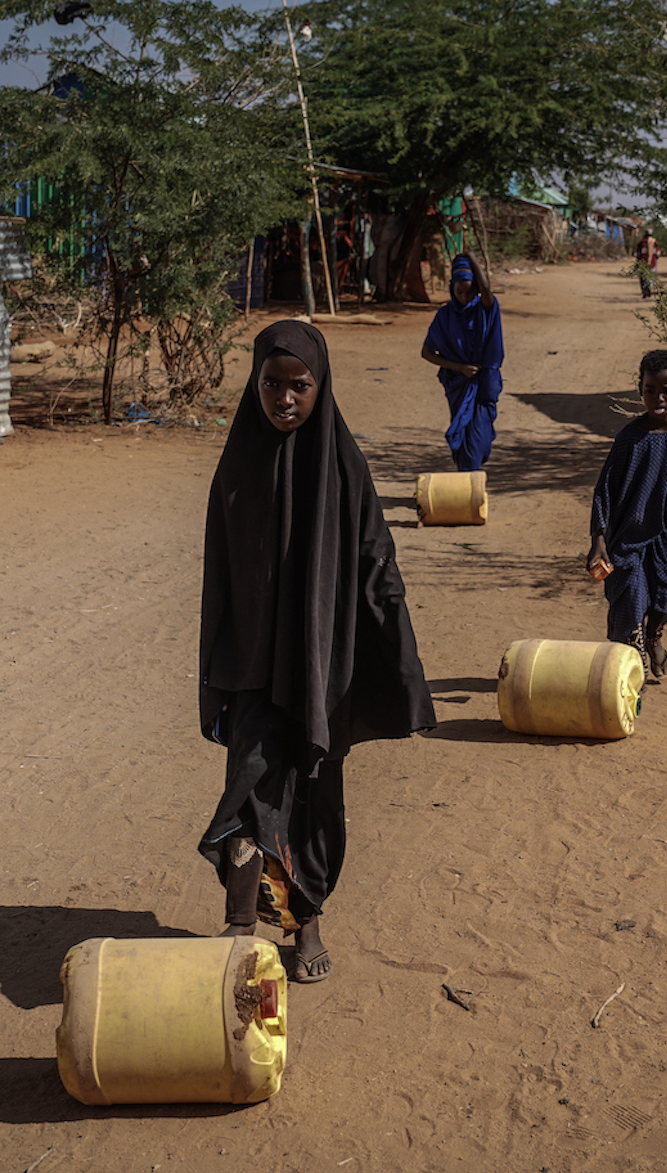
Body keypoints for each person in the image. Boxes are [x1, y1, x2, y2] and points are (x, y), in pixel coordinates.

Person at [198, 319, 436, 984]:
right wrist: (213, 677)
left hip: (319, 670)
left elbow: (375, 565)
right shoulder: (238, 465)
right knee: (246, 793)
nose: (283, 400)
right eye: (270, 385)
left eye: (298, 386)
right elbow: (219, 576)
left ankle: (309, 925)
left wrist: (401, 665)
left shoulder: (342, 465)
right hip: (250, 670)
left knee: (312, 795)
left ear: (319, 385)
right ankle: (241, 925)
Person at [587, 348, 667, 684]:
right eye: (650, 390)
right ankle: (632, 666)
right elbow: (604, 491)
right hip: (625, 541)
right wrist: (598, 541)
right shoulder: (630, 439)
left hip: (660, 536)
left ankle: (653, 639)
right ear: (640, 389)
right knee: (633, 603)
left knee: (665, 600)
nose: (658, 398)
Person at [420, 253, 503, 472]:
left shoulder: (484, 310)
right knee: (465, 437)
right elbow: (426, 352)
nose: (465, 297)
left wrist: (472, 258)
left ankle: (468, 482)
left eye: (469, 291)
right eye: (459, 292)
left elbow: (487, 290)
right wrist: (460, 368)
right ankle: (466, 491)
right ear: (451, 289)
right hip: (458, 383)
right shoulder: (445, 316)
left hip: (484, 383)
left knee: (480, 438)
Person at [635, 232, 662, 299]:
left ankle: (645, 290)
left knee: (643, 277)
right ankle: (650, 287)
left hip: (643, 263)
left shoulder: (642, 242)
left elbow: (638, 253)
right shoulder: (654, 242)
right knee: (651, 275)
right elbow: (658, 253)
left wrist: (638, 260)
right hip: (652, 263)